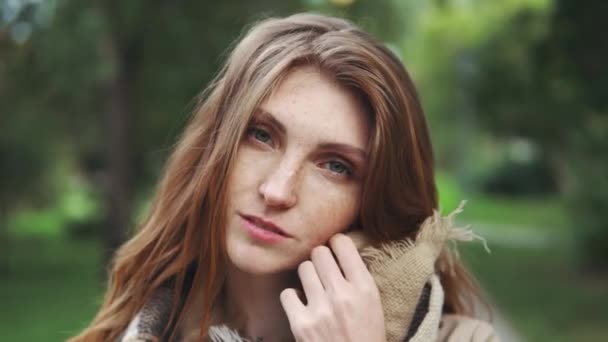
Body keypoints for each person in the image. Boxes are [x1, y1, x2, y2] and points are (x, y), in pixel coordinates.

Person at [70, 13, 499, 342]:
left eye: (335, 166)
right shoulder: (143, 323)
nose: (277, 190)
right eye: (261, 135)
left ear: (374, 198)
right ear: (216, 145)